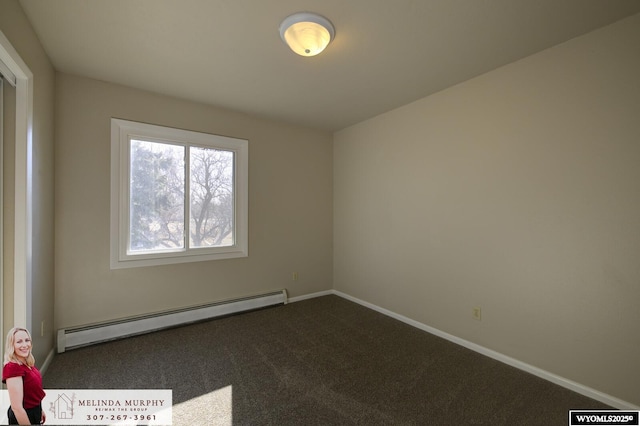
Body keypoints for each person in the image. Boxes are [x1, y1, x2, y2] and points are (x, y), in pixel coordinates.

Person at [2, 327, 46, 425]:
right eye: (19, 342)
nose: (25, 345)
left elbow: (32, 392)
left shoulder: (25, 362)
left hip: (34, 411)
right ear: (11, 345)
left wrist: (39, 410)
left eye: (27, 340)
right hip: (23, 416)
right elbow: (17, 408)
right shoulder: (12, 367)